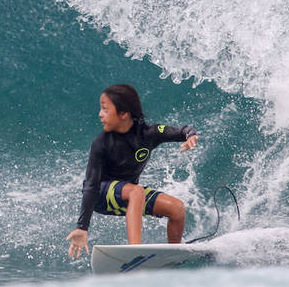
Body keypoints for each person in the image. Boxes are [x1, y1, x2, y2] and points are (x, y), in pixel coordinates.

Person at [67, 84, 199, 259]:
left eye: (105, 110)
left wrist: (191, 136)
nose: (100, 114)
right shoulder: (101, 144)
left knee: (177, 209)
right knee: (136, 191)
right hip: (101, 194)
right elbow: (91, 185)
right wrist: (82, 227)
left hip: (129, 195)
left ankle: (173, 255)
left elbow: (182, 131)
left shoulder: (148, 133)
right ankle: (134, 251)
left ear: (124, 114)